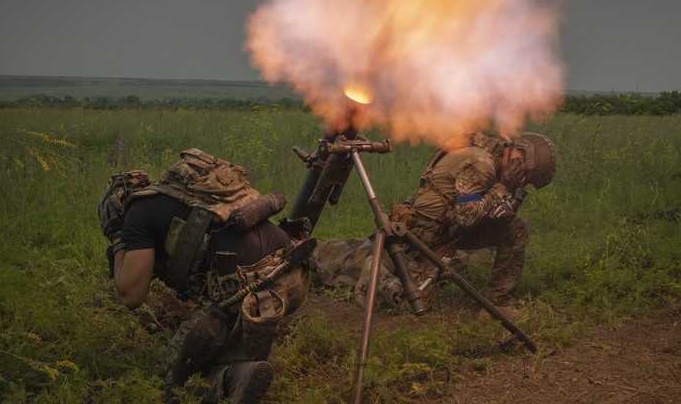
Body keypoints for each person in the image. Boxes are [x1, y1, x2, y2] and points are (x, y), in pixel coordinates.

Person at [102, 149, 312, 404]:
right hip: (293, 274)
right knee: (230, 340)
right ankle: (244, 365)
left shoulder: (137, 213)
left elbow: (131, 295)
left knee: (179, 379)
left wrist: (117, 237)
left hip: (248, 285)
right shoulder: (181, 197)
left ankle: (233, 378)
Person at [313, 131, 556, 318]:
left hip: (454, 227)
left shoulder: (497, 153)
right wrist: (503, 188)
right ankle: (374, 272)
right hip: (429, 232)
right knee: (412, 303)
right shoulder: (482, 163)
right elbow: (468, 216)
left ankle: (498, 304)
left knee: (516, 228)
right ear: (518, 159)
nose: (522, 182)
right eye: (525, 176)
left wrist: (505, 207)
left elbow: (477, 213)